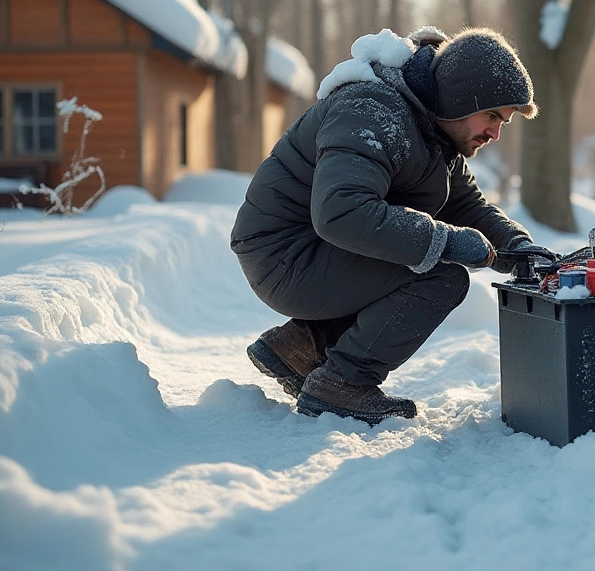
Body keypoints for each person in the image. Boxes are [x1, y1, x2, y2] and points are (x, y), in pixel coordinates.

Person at [231, 26, 554, 423]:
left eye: (503, 122)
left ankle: (301, 346)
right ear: (460, 98)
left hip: (311, 250)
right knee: (440, 273)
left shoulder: (434, 131)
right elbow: (341, 211)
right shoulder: (373, 109)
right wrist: (446, 242)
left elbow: (467, 206)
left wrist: (518, 248)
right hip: (285, 255)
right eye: (491, 116)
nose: (495, 132)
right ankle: (343, 383)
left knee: (421, 254)